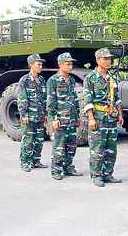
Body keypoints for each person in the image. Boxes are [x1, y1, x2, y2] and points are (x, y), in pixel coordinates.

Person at [83, 48, 124, 187]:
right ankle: (96, 176)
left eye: (109, 59)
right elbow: (88, 100)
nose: (108, 61)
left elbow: (117, 98)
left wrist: (120, 114)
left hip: (111, 117)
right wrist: (91, 118)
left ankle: (108, 174)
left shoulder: (112, 77)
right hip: (98, 118)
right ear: (97, 60)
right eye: (105, 59)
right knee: (97, 148)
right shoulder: (91, 78)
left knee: (111, 148)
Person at [47, 52, 83, 180]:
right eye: (67, 64)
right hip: (61, 119)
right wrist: (54, 118)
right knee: (59, 146)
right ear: (60, 64)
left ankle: (68, 167)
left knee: (71, 146)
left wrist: (78, 116)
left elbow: (75, 99)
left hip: (72, 119)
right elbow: (51, 101)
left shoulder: (71, 80)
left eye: (71, 64)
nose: (70, 66)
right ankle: (56, 169)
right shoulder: (53, 81)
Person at [18, 53, 49, 172]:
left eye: (41, 64)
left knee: (39, 140)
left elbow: (44, 98)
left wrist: (45, 113)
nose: (41, 66)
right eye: (38, 64)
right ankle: (25, 162)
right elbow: (22, 98)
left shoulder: (41, 80)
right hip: (29, 116)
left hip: (40, 116)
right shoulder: (24, 80)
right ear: (31, 65)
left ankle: (36, 161)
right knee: (28, 139)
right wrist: (24, 114)